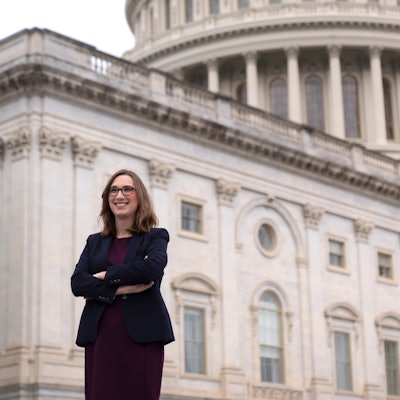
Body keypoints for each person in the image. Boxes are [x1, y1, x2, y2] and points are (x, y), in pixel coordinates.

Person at [71, 169, 174, 400]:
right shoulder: (94, 242)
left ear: (140, 197)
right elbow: (78, 283)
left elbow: (152, 269)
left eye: (128, 189)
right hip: (102, 337)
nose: (120, 195)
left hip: (143, 337)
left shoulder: (155, 237)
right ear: (107, 198)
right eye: (114, 190)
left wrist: (103, 277)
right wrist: (120, 288)